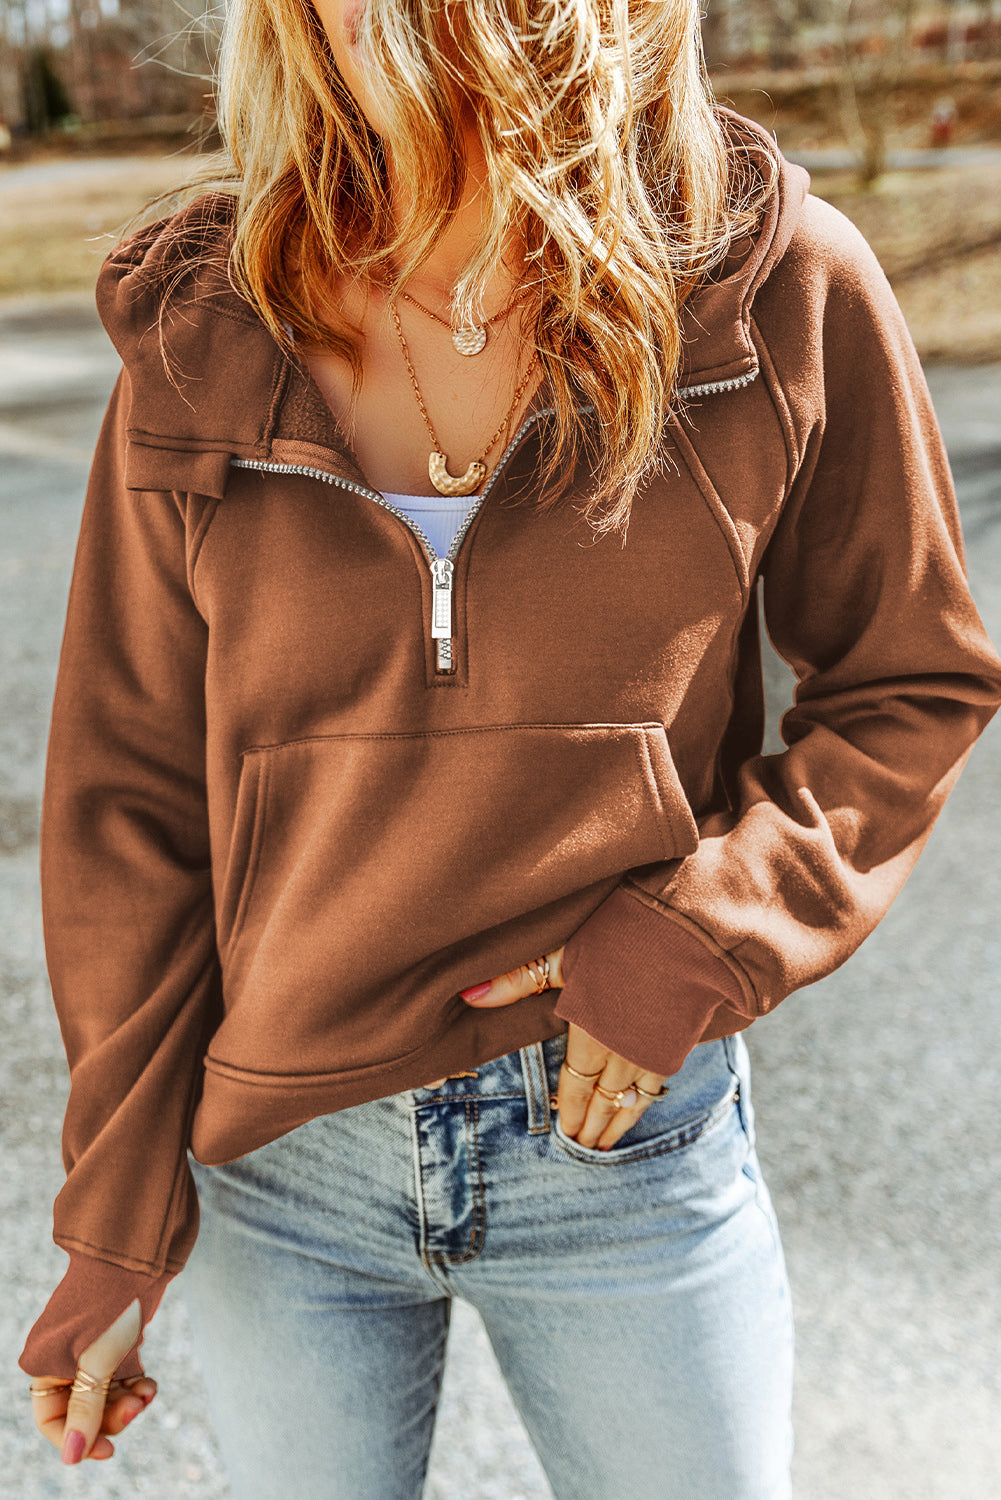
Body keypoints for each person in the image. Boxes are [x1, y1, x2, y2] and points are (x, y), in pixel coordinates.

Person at [18, 0, 1001, 1493]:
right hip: (284, 1168)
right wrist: (117, 1212)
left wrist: (704, 934)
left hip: (623, 1142)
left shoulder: (767, 281)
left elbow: (910, 674)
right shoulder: (208, 323)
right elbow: (126, 800)